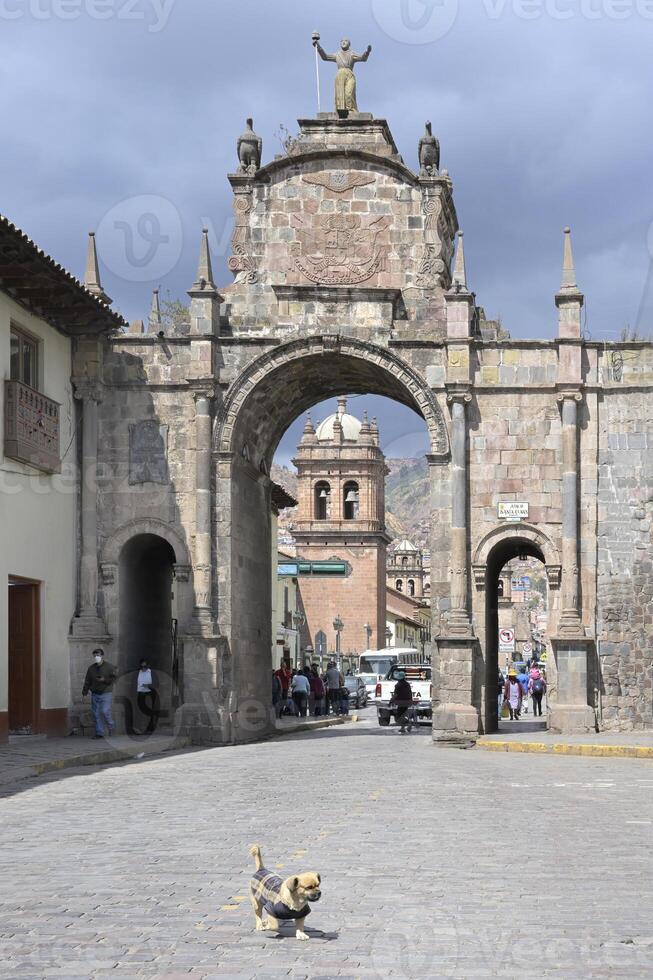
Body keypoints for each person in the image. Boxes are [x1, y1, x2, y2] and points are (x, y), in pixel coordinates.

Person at [82, 648, 118, 738]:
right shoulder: (91, 668)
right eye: (94, 656)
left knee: (105, 711)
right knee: (96, 714)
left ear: (102, 656)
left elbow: (114, 679)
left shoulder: (110, 667)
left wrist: (104, 680)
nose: (96, 657)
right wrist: (84, 694)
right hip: (95, 693)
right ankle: (99, 733)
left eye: (98, 655)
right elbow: (87, 681)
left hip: (106, 693)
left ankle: (111, 727)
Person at [136, 658, 158, 734]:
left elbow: (156, 684)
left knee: (148, 711)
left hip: (149, 694)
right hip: (140, 693)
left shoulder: (152, 672)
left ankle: (148, 728)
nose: (143, 668)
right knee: (140, 711)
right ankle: (141, 728)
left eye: (145, 666)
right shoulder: (137, 673)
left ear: (148, 665)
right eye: (142, 666)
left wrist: (148, 686)